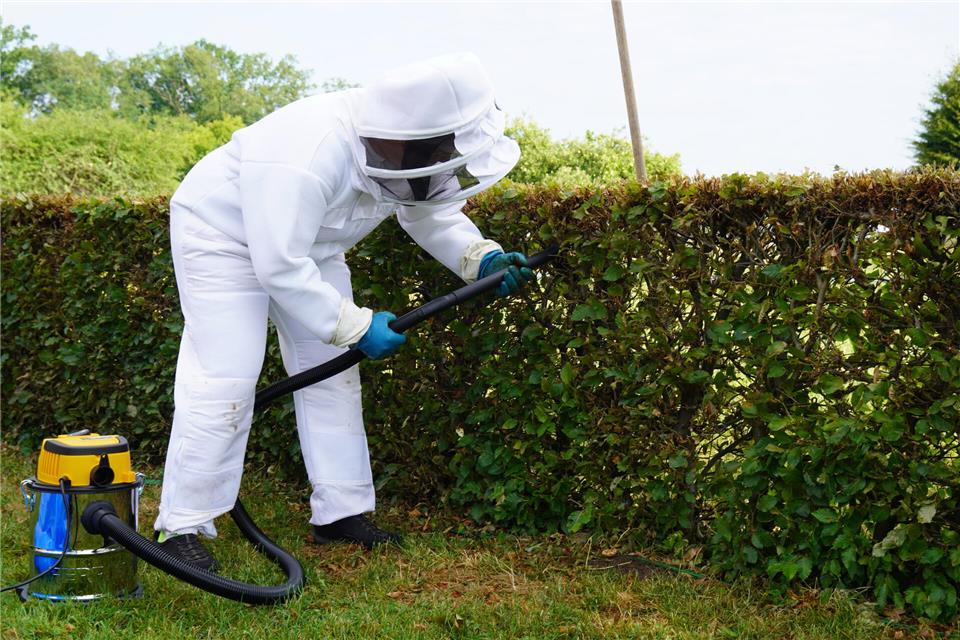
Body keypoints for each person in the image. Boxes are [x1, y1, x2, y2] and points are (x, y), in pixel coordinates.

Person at [153, 52, 535, 570]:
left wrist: (480, 258)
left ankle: (340, 513)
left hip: (311, 249)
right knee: (226, 374)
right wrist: (353, 325)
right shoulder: (305, 151)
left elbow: (427, 211)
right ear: (403, 137)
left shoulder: (408, 144)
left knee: (330, 375)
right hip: (223, 236)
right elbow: (279, 266)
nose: (444, 156)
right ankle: (183, 525)